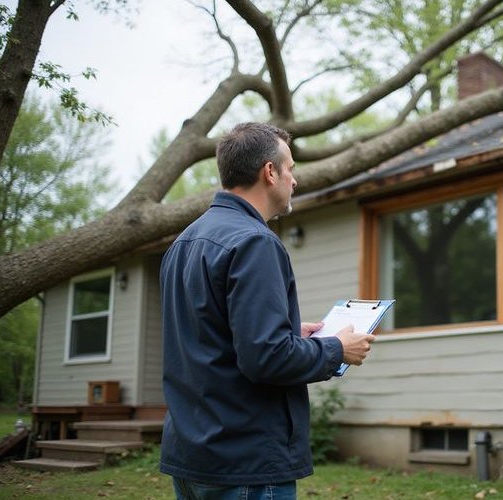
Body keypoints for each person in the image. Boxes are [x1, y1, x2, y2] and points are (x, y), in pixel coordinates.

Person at [159, 122, 375, 500]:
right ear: (270, 172)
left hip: (192, 456)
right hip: (245, 462)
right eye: (290, 168)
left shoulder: (183, 242)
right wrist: (337, 350)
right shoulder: (255, 242)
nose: (294, 180)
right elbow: (267, 358)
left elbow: (215, 338)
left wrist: (293, 332)